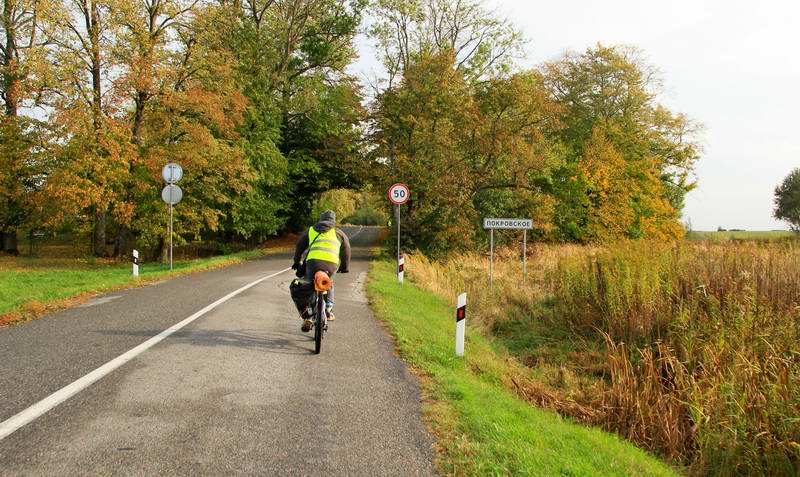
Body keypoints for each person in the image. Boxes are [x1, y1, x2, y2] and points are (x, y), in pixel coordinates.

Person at [291, 210, 351, 332]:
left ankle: (308, 316)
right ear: (333, 221)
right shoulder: (338, 232)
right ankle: (328, 309)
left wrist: (297, 261)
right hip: (331, 265)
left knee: (308, 285)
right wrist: (345, 267)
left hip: (313, 264)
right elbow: (346, 250)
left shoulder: (311, 230)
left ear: (320, 219)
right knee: (329, 284)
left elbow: (299, 246)